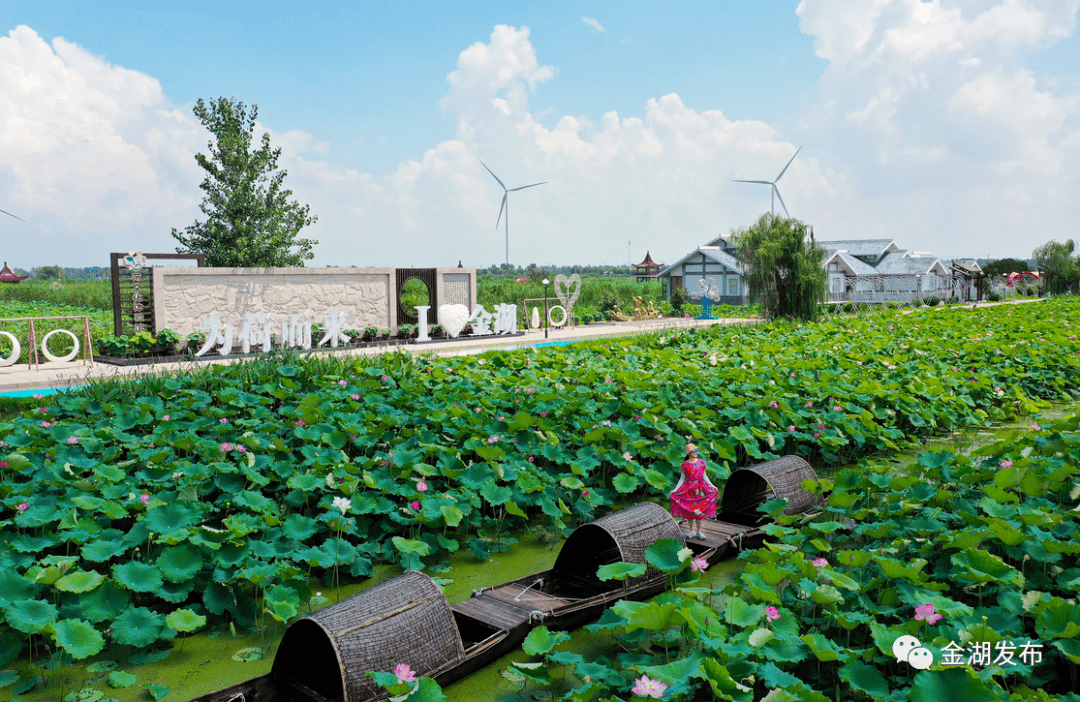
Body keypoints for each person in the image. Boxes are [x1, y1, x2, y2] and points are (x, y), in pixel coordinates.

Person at [670, 442, 717, 539]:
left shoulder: (701, 462)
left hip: (700, 489)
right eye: (693, 451)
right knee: (690, 511)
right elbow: (682, 479)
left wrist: (712, 485)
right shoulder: (685, 464)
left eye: (696, 450)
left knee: (699, 511)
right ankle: (691, 531)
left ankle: (699, 531)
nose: (696, 452)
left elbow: (704, 476)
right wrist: (675, 489)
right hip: (688, 489)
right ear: (689, 453)